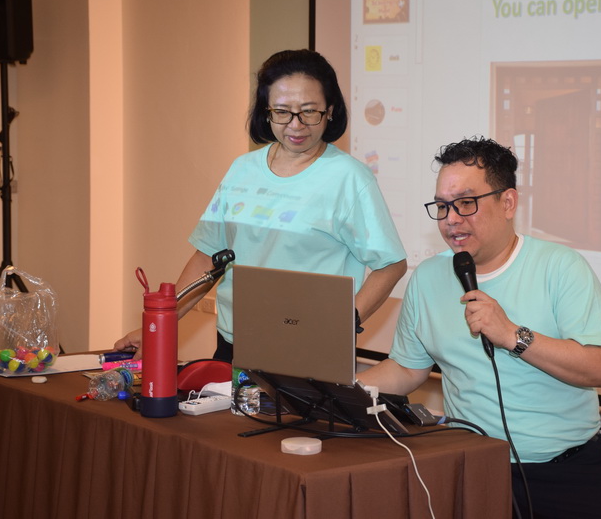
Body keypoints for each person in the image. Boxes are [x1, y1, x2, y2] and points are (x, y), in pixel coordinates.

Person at [358, 137, 601, 518]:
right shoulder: (427, 278)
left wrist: (514, 335)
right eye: (442, 206)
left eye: (466, 203)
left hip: (568, 469)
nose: (451, 219)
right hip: (475, 467)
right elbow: (406, 368)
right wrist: (340, 388)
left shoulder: (561, 267)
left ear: (508, 203)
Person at [115, 49, 407, 361]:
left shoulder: (350, 178)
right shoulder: (242, 170)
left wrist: (343, 323)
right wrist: (160, 325)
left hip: (309, 349)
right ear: (266, 111)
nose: (296, 125)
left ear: (330, 111)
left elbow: (391, 264)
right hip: (234, 343)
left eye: (310, 112)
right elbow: (207, 257)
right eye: (282, 112)